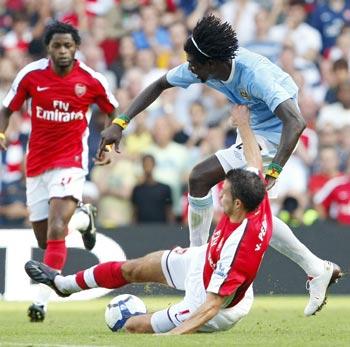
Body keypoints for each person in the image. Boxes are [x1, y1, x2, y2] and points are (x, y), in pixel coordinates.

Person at [97, 14, 341, 316]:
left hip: (277, 134)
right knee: (254, 210)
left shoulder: (254, 75)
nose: (190, 69)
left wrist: (274, 171)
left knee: (199, 177)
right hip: (252, 129)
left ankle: (197, 266)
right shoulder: (204, 67)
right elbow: (158, 84)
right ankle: (317, 268)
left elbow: (296, 121)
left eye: (194, 64)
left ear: (212, 63)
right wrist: (120, 123)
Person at [25, 105, 274, 334]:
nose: (220, 194)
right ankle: (63, 284)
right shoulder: (254, 192)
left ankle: (143, 320)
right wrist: (243, 123)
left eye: (225, 194)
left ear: (238, 204)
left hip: (215, 305)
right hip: (204, 260)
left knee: (134, 326)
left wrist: (172, 336)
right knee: (132, 268)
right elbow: (255, 161)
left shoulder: (238, 249)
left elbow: (211, 306)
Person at [0, 21, 119, 322]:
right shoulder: (31, 75)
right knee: (45, 239)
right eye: (57, 46)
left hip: (71, 161)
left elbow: (112, 110)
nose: (63, 51)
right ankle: (83, 219)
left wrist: (106, 142)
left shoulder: (91, 80)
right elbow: (6, 109)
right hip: (37, 165)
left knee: (55, 229)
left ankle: (41, 302)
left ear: (76, 48)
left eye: (68, 45)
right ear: (48, 48)